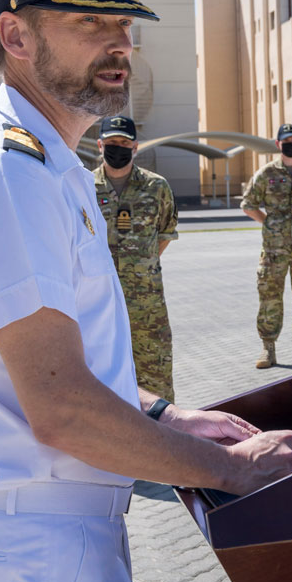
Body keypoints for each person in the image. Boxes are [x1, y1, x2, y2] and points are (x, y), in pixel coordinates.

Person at [0, 0, 292, 582]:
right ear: (15, 35)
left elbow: (60, 372)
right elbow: (63, 408)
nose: (120, 44)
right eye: (89, 24)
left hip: (52, 533)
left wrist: (170, 416)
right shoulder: (7, 175)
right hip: (35, 546)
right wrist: (230, 470)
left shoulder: (50, 168)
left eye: (125, 25)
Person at [93, 115, 180, 401]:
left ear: (135, 147)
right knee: (99, 379)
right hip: (96, 304)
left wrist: (139, 265)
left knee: (155, 379)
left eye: (124, 142)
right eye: (111, 142)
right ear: (99, 145)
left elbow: (165, 233)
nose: (118, 148)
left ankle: (163, 440)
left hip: (147, 306)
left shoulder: (157, 188)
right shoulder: (81, 187)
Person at [241, 123, 292, 369]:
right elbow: (248, 204)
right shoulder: (266, 173)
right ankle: (268, 348)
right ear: (278, 144)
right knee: (270, 298)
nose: (290, 143)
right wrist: (268, 223)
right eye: (286, 140)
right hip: (274, 250)